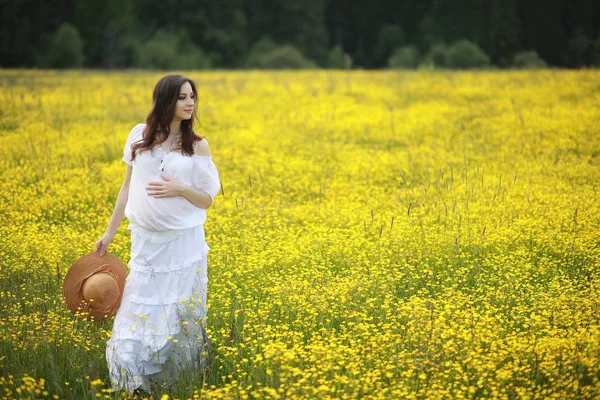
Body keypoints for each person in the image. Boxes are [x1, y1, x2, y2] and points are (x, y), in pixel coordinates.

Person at [93, 73, 221, 397]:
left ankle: (171, 384)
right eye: (182, 97)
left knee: (177, 316)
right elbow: (126, 188)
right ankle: (134, 385)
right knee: (136, 313)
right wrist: (109, 233)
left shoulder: (197, 145)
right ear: (165, 100)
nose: (190, 103)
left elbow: (207, 199)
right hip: (146, 243)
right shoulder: (140, 135)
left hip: (183, 244)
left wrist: (180, 187)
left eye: (192, 96)